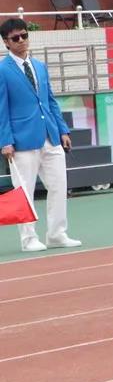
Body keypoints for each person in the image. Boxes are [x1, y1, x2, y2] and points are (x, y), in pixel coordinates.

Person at [0, 18, 81, 253]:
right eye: (15, 38)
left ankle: (57, 234)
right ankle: (28, 239)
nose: (21, 40)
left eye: (24, 35)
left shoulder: (39, 66)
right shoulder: (2, 71)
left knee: (58, 185)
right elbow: (1, 109)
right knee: (24, 191)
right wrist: (5, 141)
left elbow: (50, 100)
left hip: (50, 136)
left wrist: (63, 129)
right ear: (6, 42)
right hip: (21, 140)